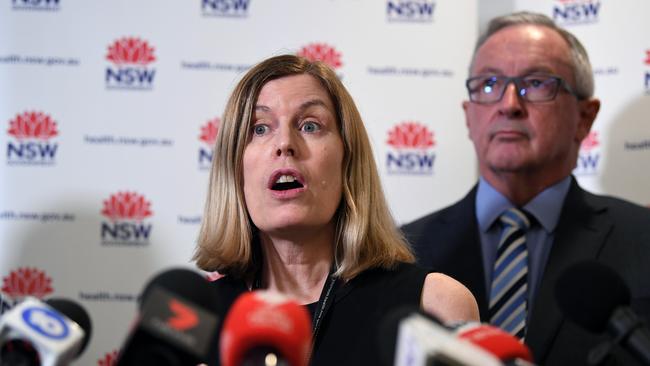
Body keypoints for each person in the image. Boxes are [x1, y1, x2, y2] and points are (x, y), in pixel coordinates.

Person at [194, 54, 479, 366]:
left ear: (348, 160)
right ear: (235, 167)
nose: (285, 143)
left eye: (310, 125)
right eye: (260, 128)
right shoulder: (194, 316)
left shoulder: (435, 306)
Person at [402, 11, 650, 366]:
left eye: (536, 84)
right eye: (489, 85)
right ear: (468, 115)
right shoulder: (401, 253)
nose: (509, 105)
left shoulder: (643, 238)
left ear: (585, 117)